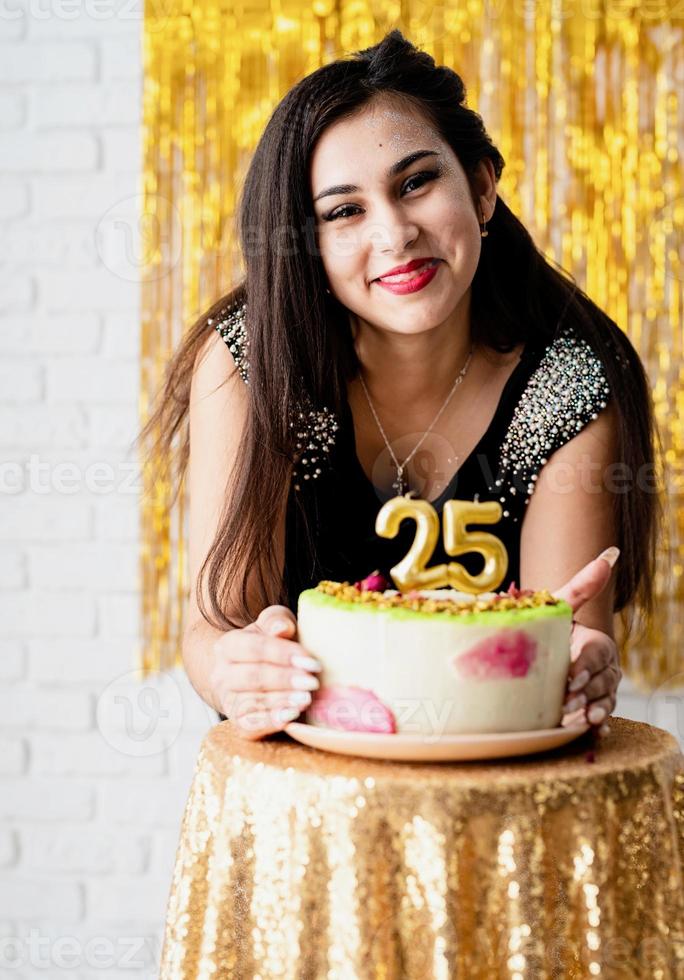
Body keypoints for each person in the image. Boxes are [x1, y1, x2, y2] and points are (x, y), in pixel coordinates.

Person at [137, 30, 661, 742]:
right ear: (307, 243)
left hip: (500, 783)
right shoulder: (248, 364)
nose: (394, 234)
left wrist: (577, 668)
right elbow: (216, 628)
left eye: (416, 183)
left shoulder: (567, 380)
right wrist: (232, 668)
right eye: (343, 212)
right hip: (308, 786)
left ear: (481, 189)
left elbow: (564, 636)